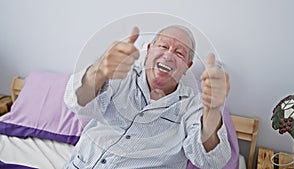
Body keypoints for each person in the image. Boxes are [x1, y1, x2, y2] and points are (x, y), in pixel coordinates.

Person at [64, 25, 231, 168]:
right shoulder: (121, 76)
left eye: (179, 53)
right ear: (149, 50)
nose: (169, 55)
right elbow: (76, 101)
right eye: (163, 46)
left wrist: (213, 110)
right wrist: (99, 70)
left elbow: (212, 162)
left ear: (187, 67)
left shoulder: (192, 106)